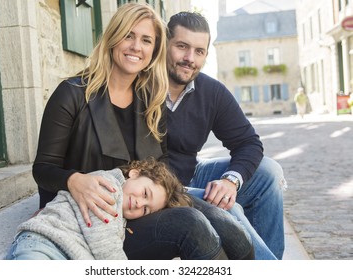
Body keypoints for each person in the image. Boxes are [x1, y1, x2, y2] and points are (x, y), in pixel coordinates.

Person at [31, 3, 253, 260]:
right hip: (96, 217)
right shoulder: (71, 94)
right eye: (129, 35)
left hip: (143, 206)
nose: (137, 47)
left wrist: (166, 195)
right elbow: (43, 169)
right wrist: (74, 180)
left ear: (154, 50)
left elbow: (161, 163)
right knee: (191, 225)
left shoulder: (150, 98)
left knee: (229, 227)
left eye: (146, 40)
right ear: (113, 37)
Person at [161, 11, 287, 259]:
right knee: (228, 209)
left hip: (191, 174)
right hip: (157, 187)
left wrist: (231, 180)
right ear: (165, 45)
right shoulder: (142, 85)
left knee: (269, 173)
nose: (190, 58)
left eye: (199, 51)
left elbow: (248, 143)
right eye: (182, 47)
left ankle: (272, 258)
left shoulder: (211, 91)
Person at [5, 158, 211, 260]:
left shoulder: (121, 216)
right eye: (145, 194)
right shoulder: (106, 186)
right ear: (134, 173)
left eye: (146, 210)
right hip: (45, 243)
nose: (140, 203)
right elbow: (104, 246)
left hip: (69, 254)